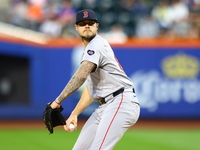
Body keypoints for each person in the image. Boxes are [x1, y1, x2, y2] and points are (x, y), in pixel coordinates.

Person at [50, 9, 140, 150]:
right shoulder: (87, 52)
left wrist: (57, 101)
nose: (87, 26)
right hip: (105, 105)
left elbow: (81, 75)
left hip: (120, 101)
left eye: (90, 23)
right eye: (82, 23)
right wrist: (74, 114)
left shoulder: (96, 45)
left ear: (97, 26)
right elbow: (90, 89)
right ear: (76, 28)